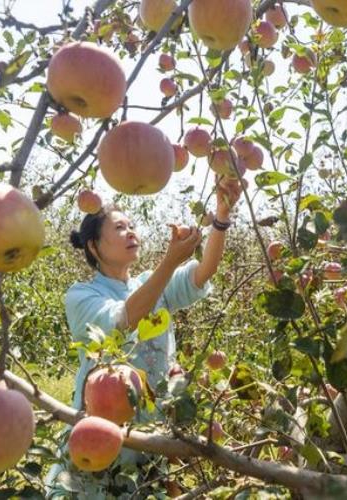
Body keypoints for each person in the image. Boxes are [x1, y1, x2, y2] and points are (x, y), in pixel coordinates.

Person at [45, 178, 242, 499]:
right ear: (94, 246)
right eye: (120, 228)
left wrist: (221, 218)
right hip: (101, 431)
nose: (132, 232)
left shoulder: (151, 281)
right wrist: (169, 261)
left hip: (153, 433)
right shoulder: (82, 295)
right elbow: (124, 318)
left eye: (132, 225)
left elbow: (204, 271)